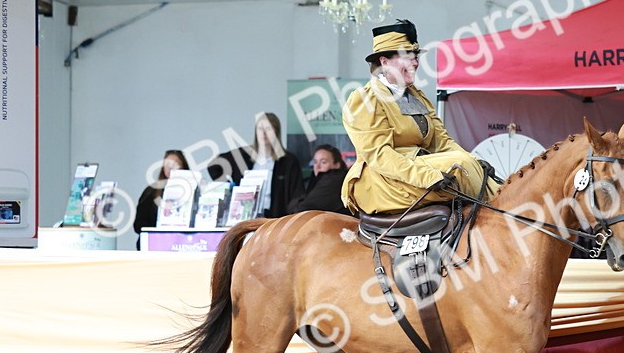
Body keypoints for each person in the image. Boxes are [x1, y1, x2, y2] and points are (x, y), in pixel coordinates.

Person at [341, 19, 498, 215]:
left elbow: (442, 142)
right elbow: (380, 156)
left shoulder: (416, 96)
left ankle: (514, 215)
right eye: (407, 57)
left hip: (418, 171)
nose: (415, 63)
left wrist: (475, 160)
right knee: (461, 165)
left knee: (473, 168)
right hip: (383, 181)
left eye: (415, 56)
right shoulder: (365, 99)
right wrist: (427, 177)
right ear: (384, 62)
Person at [206, 112, 303, 219]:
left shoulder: (288, 161)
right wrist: (230, 188)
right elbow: (214, 166)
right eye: (260, 129)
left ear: (276, 132)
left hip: (275, 218)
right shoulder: (243, 155)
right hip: (245, 216)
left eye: (268, 129)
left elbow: (296, 195)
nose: (264, 133)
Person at [134, 149, 188, 249]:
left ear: (183, 167)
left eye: (175, 164)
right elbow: (139, 224)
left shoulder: (192, 191)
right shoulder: (151, 192)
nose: (170, 167)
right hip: (154, 245)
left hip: (184, 244)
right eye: (167, 164)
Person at [287, 144, 351, 216]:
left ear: (337, 165)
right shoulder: (316, 180)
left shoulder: (333, 181)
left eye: (323, 162)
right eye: (315, 162)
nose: (317, 166)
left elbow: (301, 210)